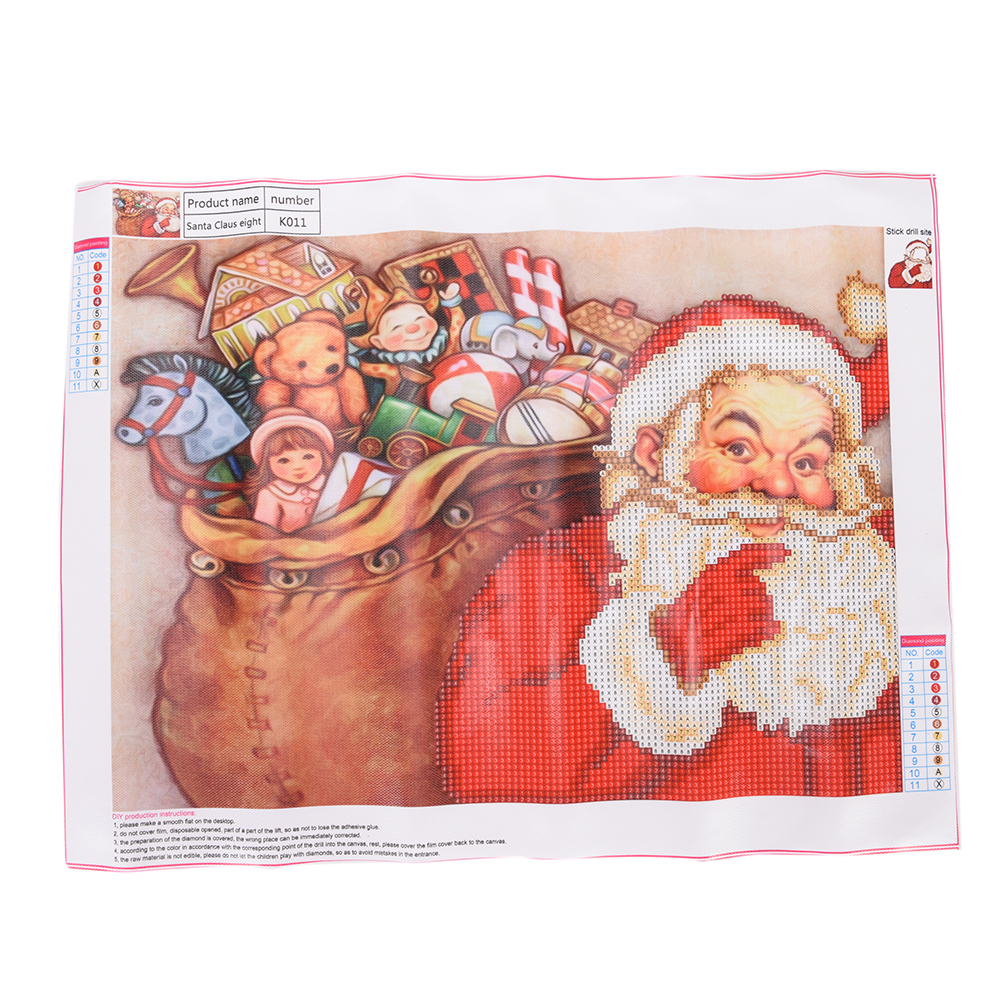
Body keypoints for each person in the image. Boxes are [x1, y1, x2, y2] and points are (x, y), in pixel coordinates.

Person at [437, 295, 900, 802]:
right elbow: (490, 780)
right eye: (739, 448)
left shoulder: (866, 579)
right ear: (654, 453)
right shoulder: (553, 576)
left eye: (807, 462)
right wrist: (663, 654)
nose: (779, 486)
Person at [246, 407, 335, 533]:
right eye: (283, 460)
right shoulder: (271, 493)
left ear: (323, 455)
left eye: (308, 456)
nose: (298, 466)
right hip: (287, 544)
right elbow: (264, 532)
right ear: (268, 464)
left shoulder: (332, 481)